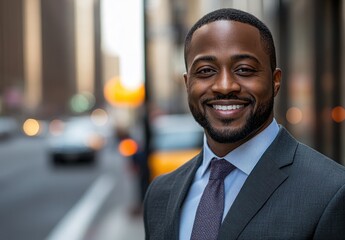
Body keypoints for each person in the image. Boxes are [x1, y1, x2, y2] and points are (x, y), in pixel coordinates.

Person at [143, 8, 345, 240]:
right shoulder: (160, 195)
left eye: (244, 70)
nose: (225, 85)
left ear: (275, 80)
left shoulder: (332, 192)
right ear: (188, 84)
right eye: (206, 71)